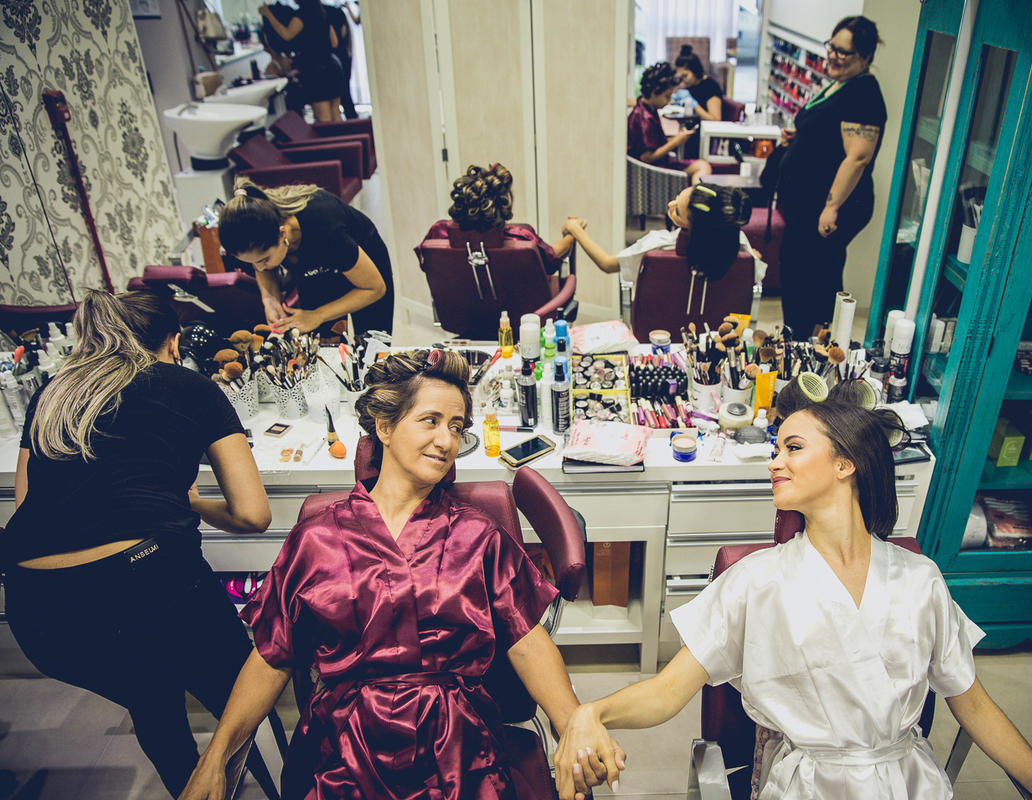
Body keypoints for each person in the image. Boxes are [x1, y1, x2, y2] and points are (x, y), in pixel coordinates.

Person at [553, 400, 1032, 800]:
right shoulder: (755, 582)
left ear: (846, 463)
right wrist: (591, 713)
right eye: (775, 450)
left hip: (909, 780)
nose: (774, 463)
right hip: (808, 786)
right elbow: (668, 692)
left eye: (793, 448)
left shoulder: (921, 580)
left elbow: (974, 704)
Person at [178, 350, 622, 800]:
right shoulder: (317, 539)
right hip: (343, 750)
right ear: (385, 427)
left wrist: (573, 723)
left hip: (456, 747)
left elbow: (528, 643)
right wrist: (216, 755)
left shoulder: (477, 535)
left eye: (456, 427)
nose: (446, 441)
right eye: (431, 421)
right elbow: (273, 656)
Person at [1, 291, 271, 799]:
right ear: (173, 343)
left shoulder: (53, 392)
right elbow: (253, 515)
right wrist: (192, 503)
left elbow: (26, 504)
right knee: (243, 697)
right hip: (144, 580)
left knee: (152, 699)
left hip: (37, 606)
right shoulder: (188, 385)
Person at [768, 16, 888, 337]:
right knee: (798, 268)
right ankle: (799, 336)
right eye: (831, 47)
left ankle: (810, 340)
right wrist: (801, 138)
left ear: (865, 56)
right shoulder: (840, 83)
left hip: (829, 205)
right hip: (808, 204)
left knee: (812, 271)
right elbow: (830, 135)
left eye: (843, 52)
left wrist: (831, 207)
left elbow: (858, 157)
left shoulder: (864, 93)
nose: (832, 56)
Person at [219, 177, 394, 334]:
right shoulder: (263, 228)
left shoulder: (325, 227)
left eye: (264, 260)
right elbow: (262, 265)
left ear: (282, 234)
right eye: (253, 263)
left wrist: (319, 314)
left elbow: (374, 288)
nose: (259, 268)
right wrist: (269, 298)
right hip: (316, 268)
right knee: (322, 343)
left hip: (366, 269)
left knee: (372, 345)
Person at [566, 183, 765, 287]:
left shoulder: (658, 245)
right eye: (677, 197)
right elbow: (755, 270)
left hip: (659, 333)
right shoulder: (737, 243)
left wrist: (576, 229)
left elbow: (607, 264)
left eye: (677, 211)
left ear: (693, 227)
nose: (670, 204)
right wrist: (753, 256)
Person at [422, 163, 577, 276]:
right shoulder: (520, 239)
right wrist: (572, 233)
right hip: (523, 311)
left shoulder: (438, 234)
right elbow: (551, 256)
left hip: (461, 311)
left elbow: (426, 265)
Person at [628, 61, 713, 185]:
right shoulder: (644, 118)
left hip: (659, 165)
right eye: (667, 96)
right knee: (702, 167)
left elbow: (652, 144)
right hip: (653, 170)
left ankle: (695, 194)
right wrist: (675, 142)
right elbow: (646, 157)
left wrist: (676, 139)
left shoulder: (648, 110)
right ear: (654, 93)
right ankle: (696, 196)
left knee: (702, 165)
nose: (669, 101)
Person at [259, 0, 343, 121]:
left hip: (316, 70)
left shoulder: (302, 14)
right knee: (336, 113)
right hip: (333, 65)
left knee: (324, 117)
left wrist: (268, 14)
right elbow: (334, 43)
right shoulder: (322, 13)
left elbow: (287, 35)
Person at [675, 44, 725, 122]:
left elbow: (715, 119)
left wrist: (694, 105)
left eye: (685, 75)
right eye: (681, 77)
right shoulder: (691, 85)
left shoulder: (710, 87)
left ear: (695, 70)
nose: (683, 80)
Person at [325, 1, 358, 119]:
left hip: (332, 58)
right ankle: (352, 117)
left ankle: (351, 118)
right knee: (344, 92)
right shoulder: (336, 12)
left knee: (335, 100)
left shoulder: (323, 14)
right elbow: (344, 33)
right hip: (342, 54)